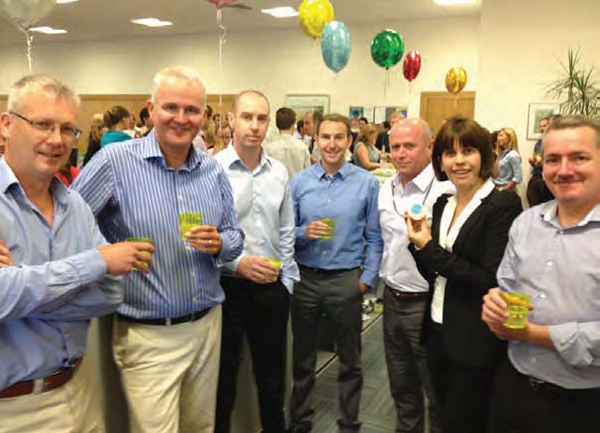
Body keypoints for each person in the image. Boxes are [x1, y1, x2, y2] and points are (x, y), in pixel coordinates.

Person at [72, 66, 244, 433]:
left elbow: (235, 237)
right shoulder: (115, 162)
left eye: (192, 110)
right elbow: (67, 226)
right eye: (171, 108)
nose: (181, 119)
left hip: (207, 328)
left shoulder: (212, 170)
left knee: (201, 427)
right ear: (151, 110)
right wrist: (107, 253)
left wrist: (220, 244)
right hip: (148, 334)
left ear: (204, 116)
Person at [0, 74, 153, 432]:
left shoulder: (75, 205)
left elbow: (112, 293)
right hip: (13, 408)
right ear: (6, 125)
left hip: (79, 391)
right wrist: (95, 263)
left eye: (68, 129)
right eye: (43, 125)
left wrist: (26, 289)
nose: (56, 140)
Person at [482, 115, 600, 433]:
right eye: (552, 160)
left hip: (584, 405)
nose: (563, 170)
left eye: (579, 157)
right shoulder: (526, 223)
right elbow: (508, 289)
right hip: (513, 387)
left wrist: (536, 336)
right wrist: (498, 306)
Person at [406, 116, 522, 433]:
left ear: (484, 156)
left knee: (467, 422)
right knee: (442, 416)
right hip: (437, 332)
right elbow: (435, 274)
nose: (458, 161)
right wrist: (416, 245)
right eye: (449, 153)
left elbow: (489, 279)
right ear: (440, 161)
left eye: (467, 151)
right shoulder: (443, 203)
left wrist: (428, 248)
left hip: (474, 339)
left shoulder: (502, 204)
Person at [289, 114, 383, 433]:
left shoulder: (367, 183)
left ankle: (349, 422)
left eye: (338, 137)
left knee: (350, 359)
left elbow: (374, 235)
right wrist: (304, 233)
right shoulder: (299, 182)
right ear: (315, 140)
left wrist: (367, 278)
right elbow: (287, 232)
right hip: (306, 279)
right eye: (325, 137)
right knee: (303, 358)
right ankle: (300, 420)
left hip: (346, 279)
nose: (331, 144)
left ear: (349, 142)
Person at [214, 90, 299, 433]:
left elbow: (288, 229)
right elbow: (205, 236)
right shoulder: (212, 170)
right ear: (232, 120)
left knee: (272, 380)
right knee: (224, 381)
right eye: (247, 117)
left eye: (261, 118)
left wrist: (287, 282)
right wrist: (237, 264)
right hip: (227, 289)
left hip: (271, 290)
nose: (254, 126)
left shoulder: (278, 172)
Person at [378, 118, 454, 433]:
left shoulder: (447, 191)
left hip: (428, 306)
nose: (401, 153)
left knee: (436, 394)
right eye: (395, 147)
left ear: (430, 148)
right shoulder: (386, 188)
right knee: (402, 390)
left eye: (410, 146)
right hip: (392, 302)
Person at [263, 107, 311, 178]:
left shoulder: (268, 149)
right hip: (297, 187)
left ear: (277, 125)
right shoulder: (302, 147)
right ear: (293, 125)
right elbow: (308, 174)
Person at [526, 116, 554, 206]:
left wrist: (543, 162)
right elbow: (537, 159)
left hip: (547, 180)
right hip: (537, 176)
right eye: (540, 126)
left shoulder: (555, 143)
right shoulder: (538, 144)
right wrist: (534, 162)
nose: (542, 128)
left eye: (544, 125)